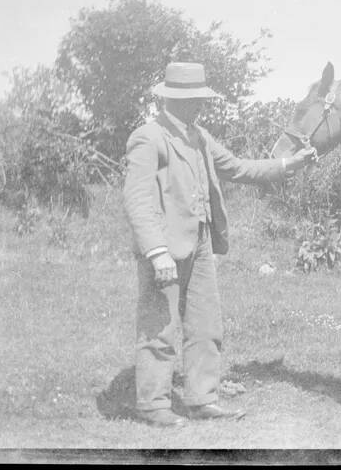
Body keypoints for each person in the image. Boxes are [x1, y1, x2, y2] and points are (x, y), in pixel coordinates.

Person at [122, 62, 315, 426]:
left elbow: (240, 168)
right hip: (163, 249)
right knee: (158, 327)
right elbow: (137, 200)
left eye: (201, 99)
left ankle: (202, 399)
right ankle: (152, 405)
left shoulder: (200, 136)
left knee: (206, 326)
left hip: (200, 244)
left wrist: (290, 164)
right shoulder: (148, 136)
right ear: (175, 100)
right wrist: (157, 251)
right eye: (195, 99)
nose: (201, 105)